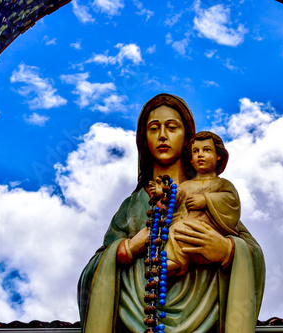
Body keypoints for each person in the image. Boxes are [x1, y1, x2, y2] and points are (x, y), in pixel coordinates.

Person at [78, 93, 265, 333]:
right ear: (143, 139)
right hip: (136, 318)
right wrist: (129, 248)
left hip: (203, 317)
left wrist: (226, 250)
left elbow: (251, 253)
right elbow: (92, 275)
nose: (163, 136)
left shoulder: (209, 195)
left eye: (172, 127)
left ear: (187, 138)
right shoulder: (131, 207)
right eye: (154, 128)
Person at [149, 131, 241, 277]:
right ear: (190, 160)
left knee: (178, 229)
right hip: (182, 233)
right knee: (173, 231)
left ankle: (176, 261)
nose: (200, 155)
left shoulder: (222, 184)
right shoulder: (186, 185)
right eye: (195, 151)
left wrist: (206, 200)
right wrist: (163, 192)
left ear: (219, 156)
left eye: (207, 150)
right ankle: (176, 262)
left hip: (205, 234)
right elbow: (176, 197)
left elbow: (231, 200)